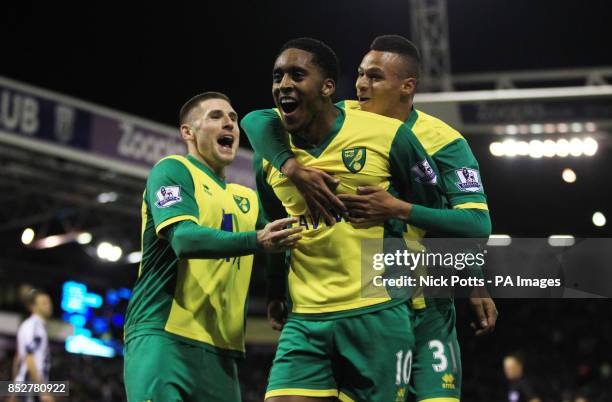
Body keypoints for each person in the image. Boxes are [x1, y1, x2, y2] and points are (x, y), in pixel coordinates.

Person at [242, 35, 498, 402]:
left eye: (375, 77)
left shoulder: (444, 142)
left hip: (425, 307)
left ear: (407, 86)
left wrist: (473, 281)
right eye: (360, 74)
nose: (362, 84)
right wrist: (292, 166)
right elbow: (257, 121)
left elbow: (474, 225)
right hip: (355, 306)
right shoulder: (340, 114)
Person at [123, 91, 302, 402]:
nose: (229, 123)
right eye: (216, 116)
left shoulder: (246, 198)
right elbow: (184, 239)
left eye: (233, 118)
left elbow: (282, 237)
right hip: (164, 338)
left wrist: (276, 292)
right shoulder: (174, 170)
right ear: (188, 133)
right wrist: (255, 240)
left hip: (222, 351)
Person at [12, 289, 54, 402]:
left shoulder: (31, 325)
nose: (49, 306)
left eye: (49, 302)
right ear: (34, 307)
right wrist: (43, 390)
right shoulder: (35, 326)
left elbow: (18, 358)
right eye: (44, 303)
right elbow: (29, 357)